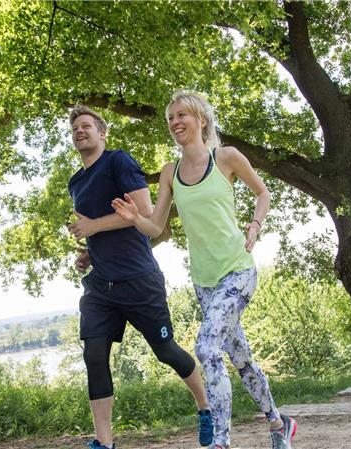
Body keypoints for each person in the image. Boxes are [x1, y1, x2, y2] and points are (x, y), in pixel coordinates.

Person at [111, 91, 297, 449]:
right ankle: (278, 423)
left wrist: (255, 227)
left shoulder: (226, 158)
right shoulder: (170, 173)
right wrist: (136, 218)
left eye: (182, 115)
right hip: (204, 281)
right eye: (170, 118)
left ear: (201, 120)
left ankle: (221, 442)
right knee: (241, 359)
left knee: (207, 347)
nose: (176, 122)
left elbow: (263, 193)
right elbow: (157, 228)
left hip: (238, 270)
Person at [65, 105, 212, 449]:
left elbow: (144, 214)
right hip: (101, 284)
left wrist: (92, 227)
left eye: (87, 126)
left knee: (165, 350)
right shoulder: (76, 181)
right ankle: (105, 442)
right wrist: (90, 250)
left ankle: (206, 407)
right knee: (94, 355)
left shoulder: (118, 162)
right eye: (75, 128)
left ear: (102, 133)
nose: (80, 131)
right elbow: (101, 227)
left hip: (138, 280)